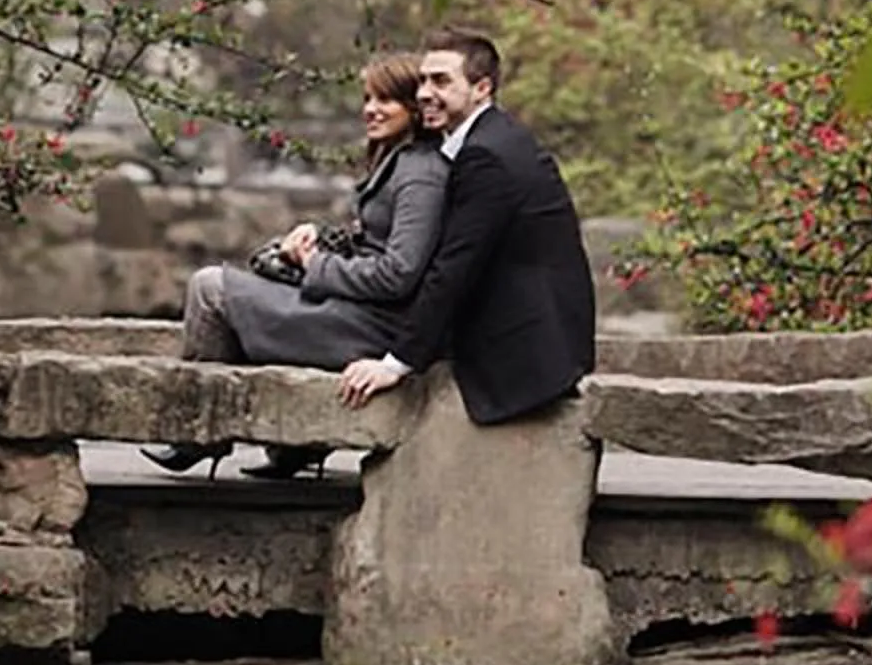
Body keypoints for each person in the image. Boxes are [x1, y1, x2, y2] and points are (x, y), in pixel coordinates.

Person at [149, 55, 450, 479]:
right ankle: (292, 446)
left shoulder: (421, 175)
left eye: (386, 99)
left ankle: (200, 433)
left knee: (210, 288)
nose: (371, 109)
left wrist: (316, 265)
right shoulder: (400, 160)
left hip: (372, 325)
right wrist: (318, 235)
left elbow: (399, 273)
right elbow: (375, 239)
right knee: (242, 286)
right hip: (357, 308)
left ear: (414, 107)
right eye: (367, 98)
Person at [338, 29, 593, 425]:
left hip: (524, 353)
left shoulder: (485, 156)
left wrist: (396, 363)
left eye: (441, 81)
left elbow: (455, 266)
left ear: (482, 88)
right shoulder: (491, 139)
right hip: (541, 336)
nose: (424, 93)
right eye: (422, 80)